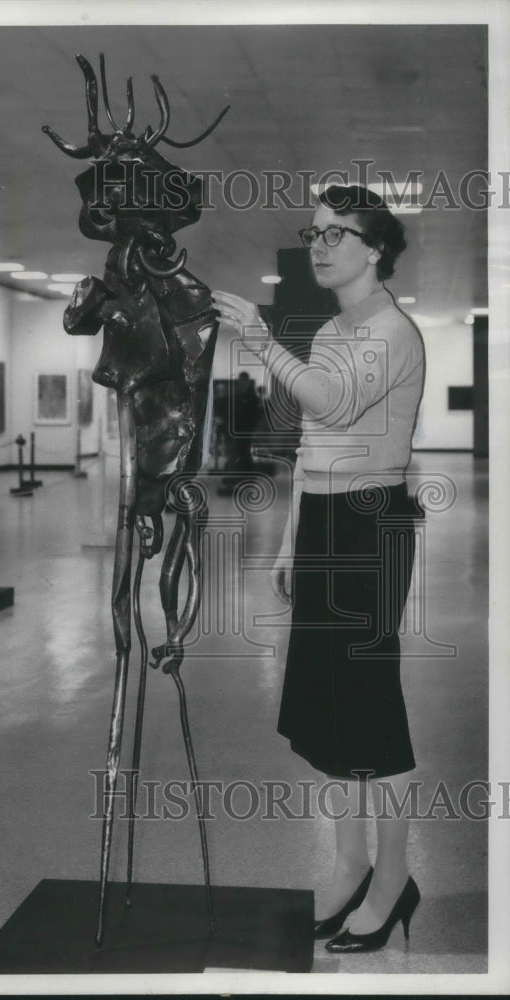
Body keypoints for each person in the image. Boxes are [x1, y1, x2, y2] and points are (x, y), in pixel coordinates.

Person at [214, 184, 425, 954]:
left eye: (340, 234)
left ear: (375, 250)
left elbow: (331, 406)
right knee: (328, 707)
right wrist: (288, 543)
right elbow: (314, 448)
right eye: (316, 231)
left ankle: (395, 878)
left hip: (371, 526)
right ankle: (347, 865)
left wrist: (259, 337)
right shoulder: (338, 326)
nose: (321, 243)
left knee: (369, 705)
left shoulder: (388, 330)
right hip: (328, 523)